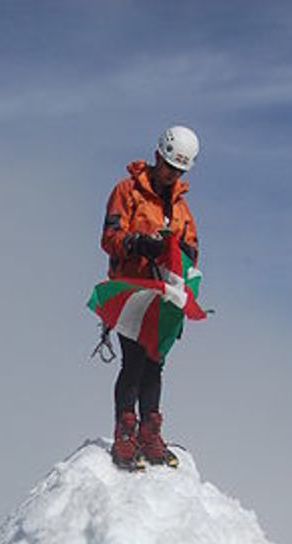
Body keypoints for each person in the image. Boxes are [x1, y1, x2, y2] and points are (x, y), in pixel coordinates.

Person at [101, 126, 200, 468]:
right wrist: (140, 242)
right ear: (158, 157)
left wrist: (181, 251)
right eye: (170, 166)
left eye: (179, 170)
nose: (173, 174)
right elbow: (110, 237)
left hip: (163, 294)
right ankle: (125, 434)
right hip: (131, 289)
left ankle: (150, 433)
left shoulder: (181, 208)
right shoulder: (127, 191)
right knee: (134, 362)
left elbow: (193, 250)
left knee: (155, 364)